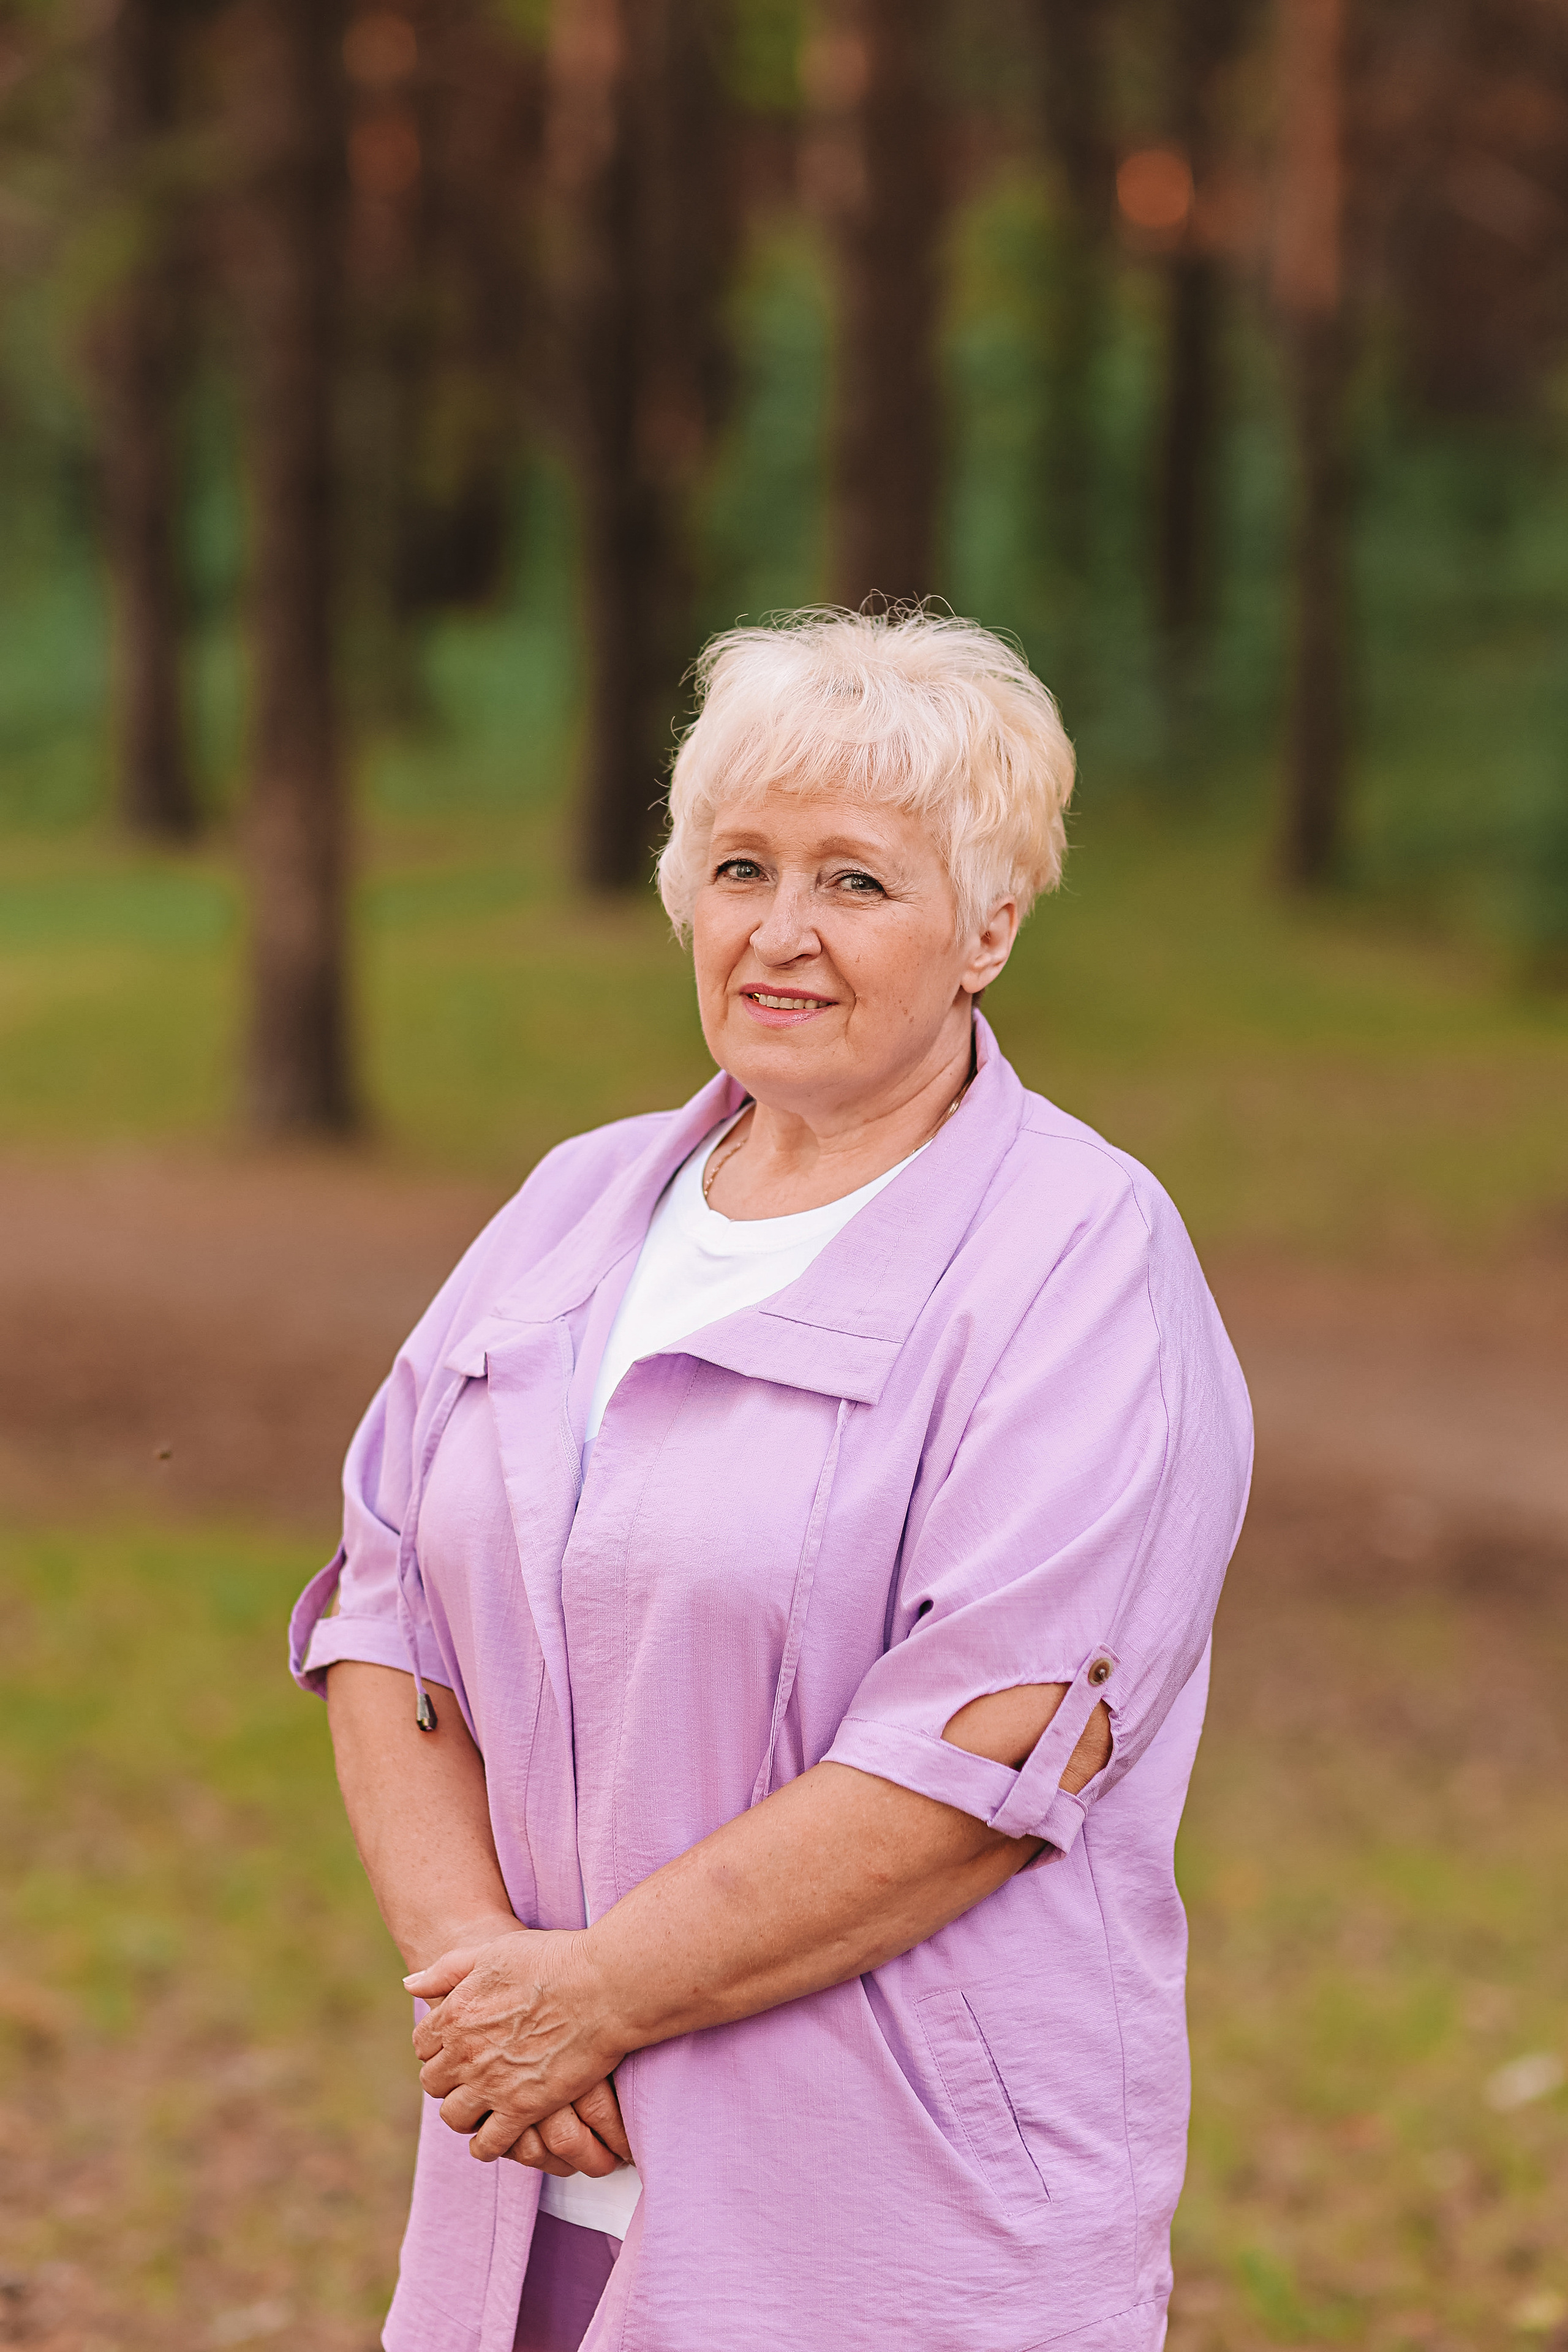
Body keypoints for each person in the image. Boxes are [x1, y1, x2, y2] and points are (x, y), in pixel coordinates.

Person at [289, 608, 1253, 2352]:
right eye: (741, 867)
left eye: (858, 884)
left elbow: (984, 1750)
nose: (782, 934)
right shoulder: (572, 1209)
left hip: (895, 2230)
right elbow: (384, 1617)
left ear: (991, 923)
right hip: (531, 2176)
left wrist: (589, 1996)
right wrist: (487, 2000)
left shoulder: (1080, 1261)